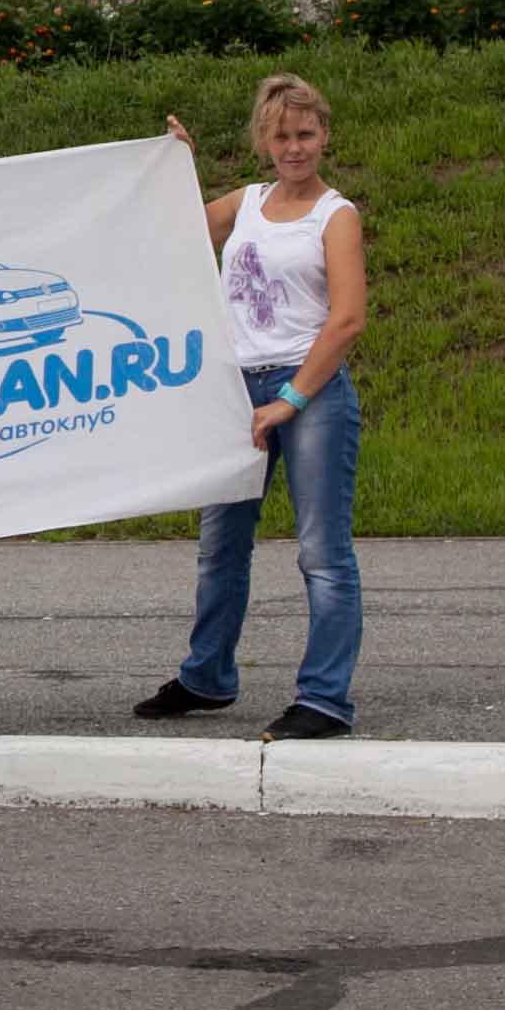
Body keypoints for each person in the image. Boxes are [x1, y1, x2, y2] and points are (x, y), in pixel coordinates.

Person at [135, 73, 370, 740]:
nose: (293, 148)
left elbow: (347, 320)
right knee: (220, 546)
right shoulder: (247, 203)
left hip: (309, 391)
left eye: (305, 134)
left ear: (324, 136)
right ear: (263, 141)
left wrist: (290, 400)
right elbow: (174, 228)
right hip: (236, 390)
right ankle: (207, 676)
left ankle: (324, 700)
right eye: (281, 136)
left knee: (322, 552)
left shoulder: (336, 216)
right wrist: (173, 164)